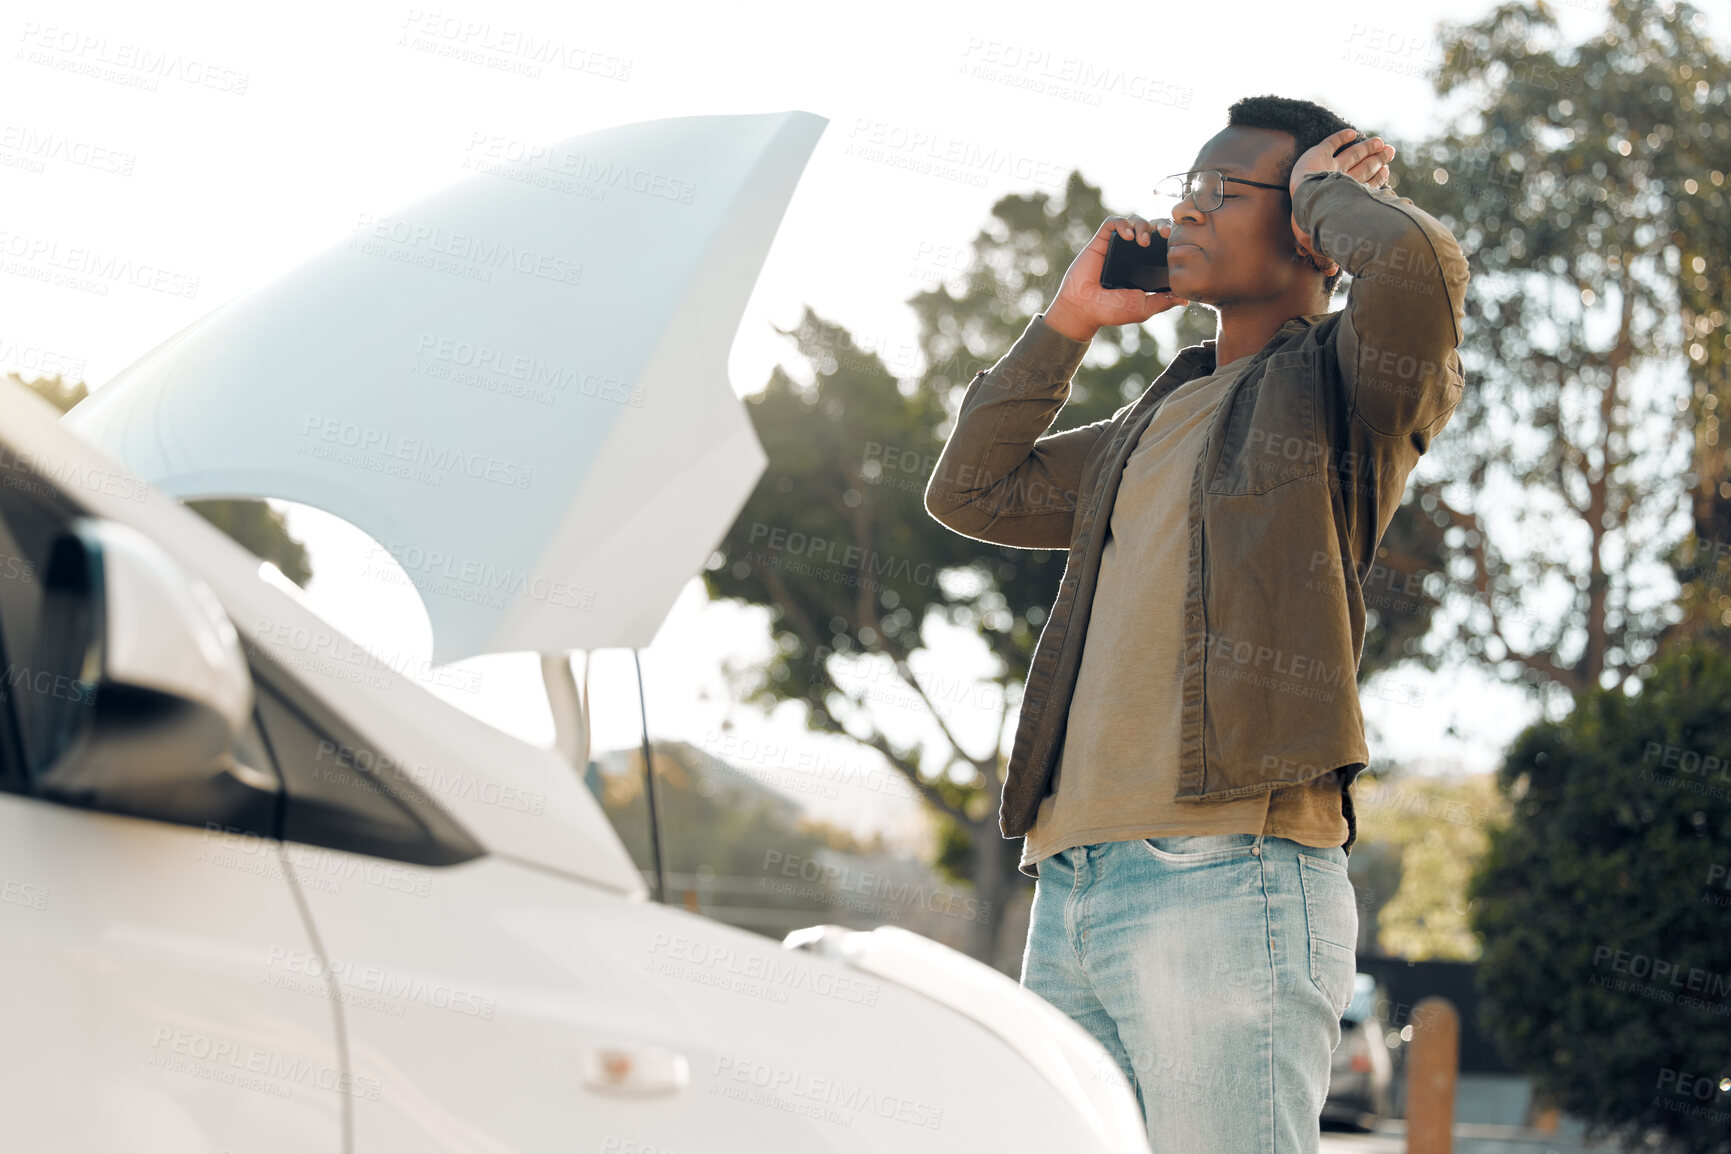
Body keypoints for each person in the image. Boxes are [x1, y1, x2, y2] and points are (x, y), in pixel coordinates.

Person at [922, 94, 1469, 1152]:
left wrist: (1329, 193)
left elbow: (1417, 274)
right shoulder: (1144, 424)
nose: (1187, 211)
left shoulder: (1344, 390)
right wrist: (1069, 321)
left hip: (1228, 872)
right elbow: (970, 489)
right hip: (1072, 879)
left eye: (1224, 192)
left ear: (1312, 226)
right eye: (1187, 186)